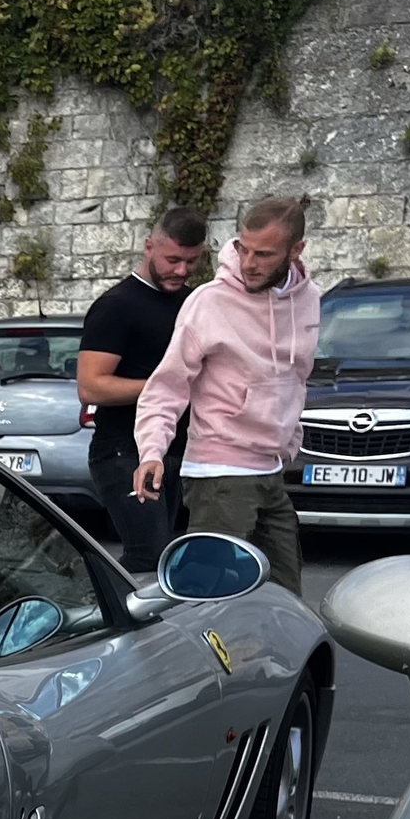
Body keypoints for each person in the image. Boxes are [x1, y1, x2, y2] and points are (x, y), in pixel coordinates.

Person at [132, 195, 321, 595]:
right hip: (219, 471)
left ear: (296, 250)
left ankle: (278, 659)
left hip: (271, 468)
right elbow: (167, 385)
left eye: (264, 254)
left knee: (286, 595)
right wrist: (152, 451)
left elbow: (297, 376)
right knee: (210, 597)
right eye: (243, 249)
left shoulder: (309, 301)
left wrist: (290, 442)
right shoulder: (210, 301)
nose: (249, 263)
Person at [77, 207, 209, 570]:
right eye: (172, 259)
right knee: (148, 556)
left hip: (184, 450)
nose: (181, 271)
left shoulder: (195, 303)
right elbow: (91, 387)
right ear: (149, 246)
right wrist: (168, 386)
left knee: (175, 561)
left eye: (191, 261)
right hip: (123, 452)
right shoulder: (116, 306)